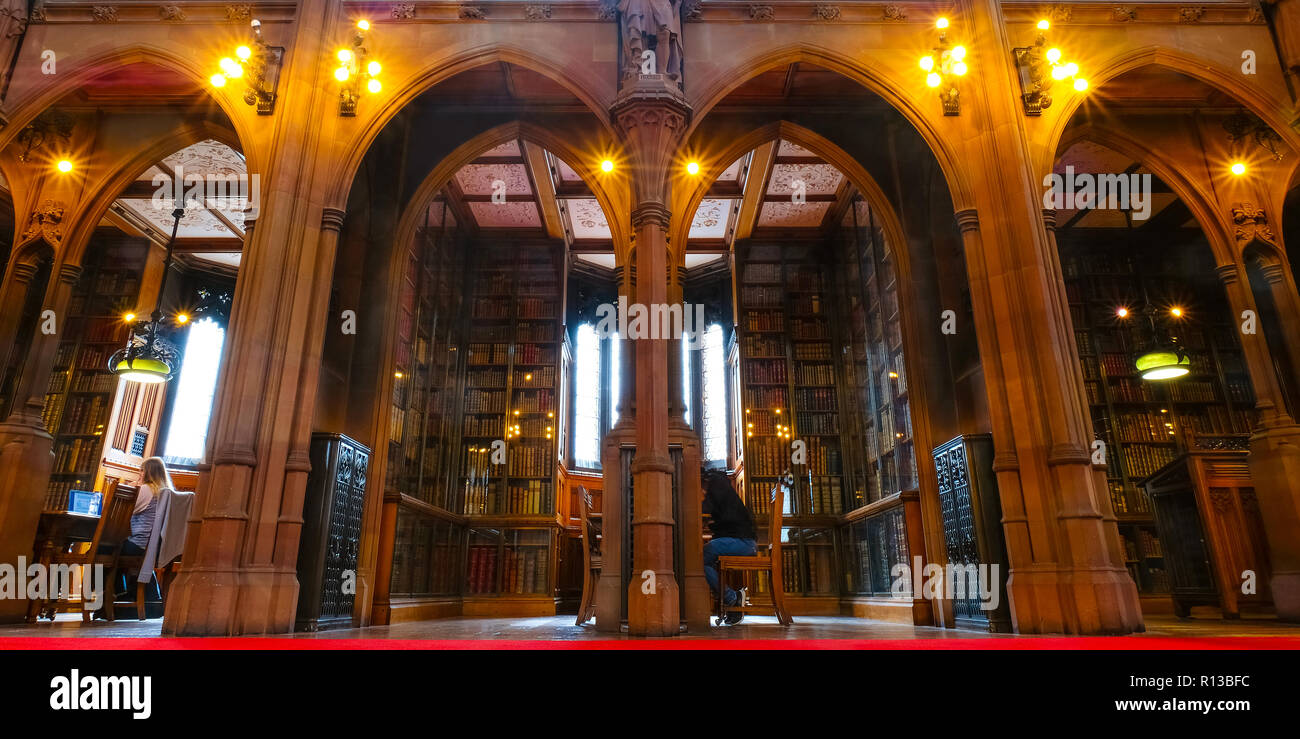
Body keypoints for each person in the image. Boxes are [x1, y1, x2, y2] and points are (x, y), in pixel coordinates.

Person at [701, 469, 756, 625]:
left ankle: (732, 599)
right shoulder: (720, 486)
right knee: (703, 559)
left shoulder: (716, 485)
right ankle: (731, 599)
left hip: (744, 543)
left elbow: (704, 509)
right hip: (743, 541)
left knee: (701, 558)